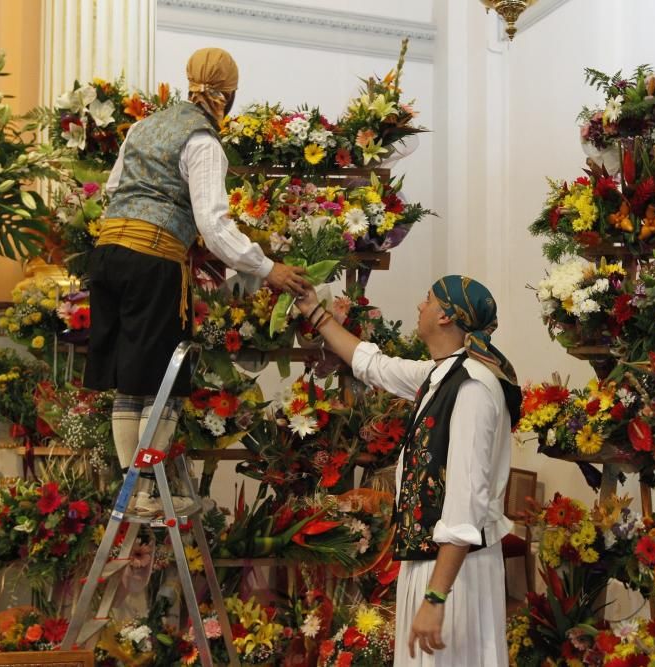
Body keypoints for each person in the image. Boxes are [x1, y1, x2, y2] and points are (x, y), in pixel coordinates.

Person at [84, 47, 311, 515]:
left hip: (107, 255)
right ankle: (143, 492)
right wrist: (268, 268)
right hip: (152, 263)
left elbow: (112, 190)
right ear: (228, 94)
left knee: (130, 379)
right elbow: (213, 224)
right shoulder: (203, 141)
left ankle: (131, 489)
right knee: (160, 376)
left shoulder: (144, 127)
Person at [295, 275, 521, 666]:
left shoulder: (472, 388)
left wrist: (436, 597)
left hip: (456, 571)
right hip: (432, 561)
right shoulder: (442, 375)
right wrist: (314, 311)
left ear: (448, 315)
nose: (420, 306)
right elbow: (374, 365)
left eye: (428, 299)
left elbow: (466, 500)